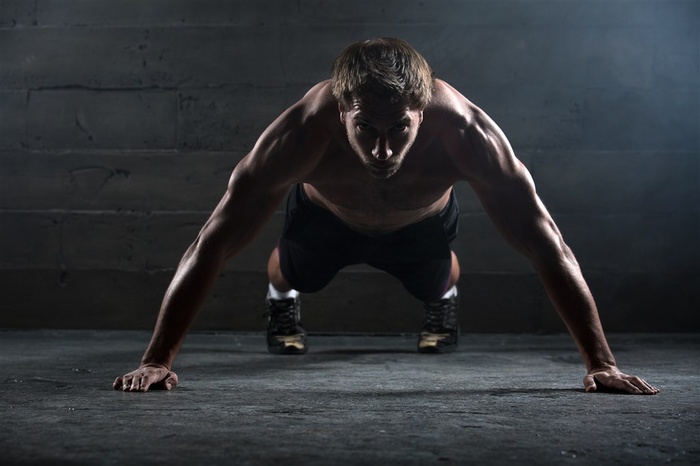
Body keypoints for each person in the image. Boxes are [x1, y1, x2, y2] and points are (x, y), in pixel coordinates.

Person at [114, 37, 658, 395]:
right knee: (293, 272)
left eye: (399, 130)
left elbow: (545, 241)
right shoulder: (300, 134)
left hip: (419, 225)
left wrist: (599, 362)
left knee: (436, 280)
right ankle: (282, 296)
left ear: (422, 112)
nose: (383, 151)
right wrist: (158, 357)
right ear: (341, 111)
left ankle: (445, 294)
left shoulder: (466, 134)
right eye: (366, 131)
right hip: (326, 219)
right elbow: (214, 240)